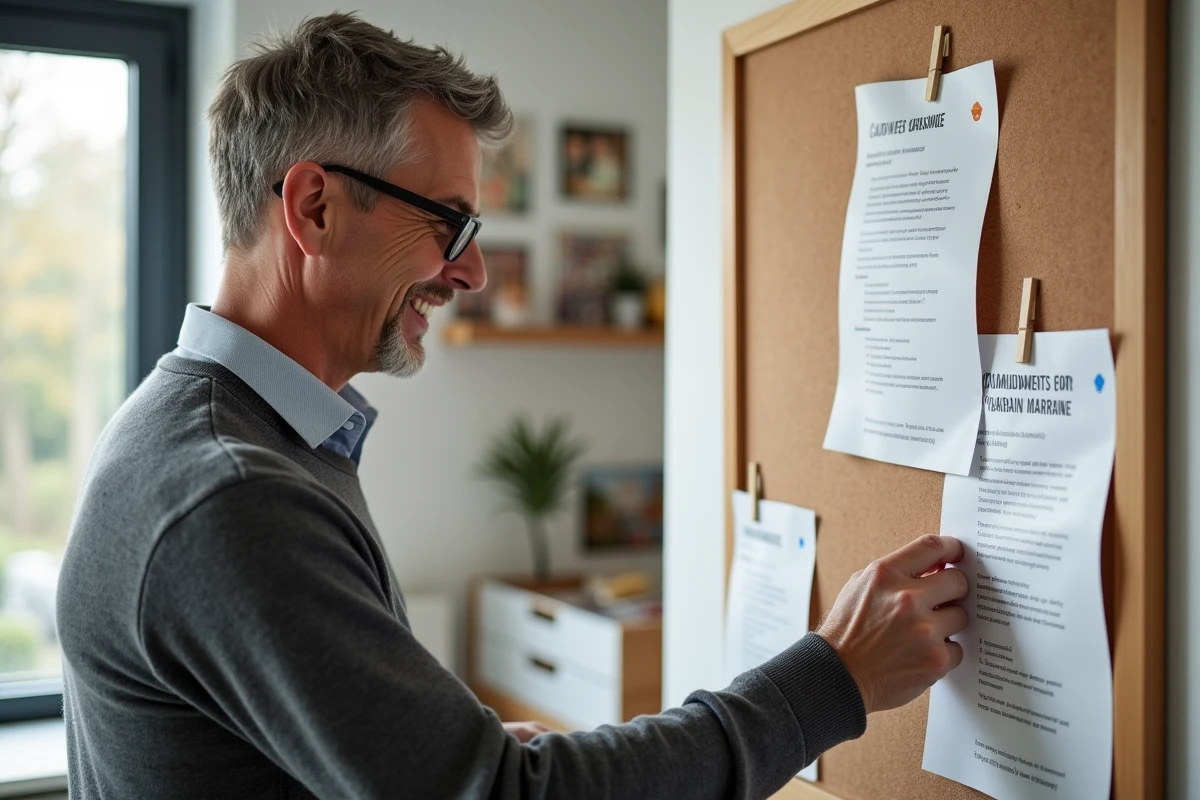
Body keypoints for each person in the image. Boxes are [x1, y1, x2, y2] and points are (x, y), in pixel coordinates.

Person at [56, 12, 969, 799]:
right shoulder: (230, 490)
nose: (473, 270)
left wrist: (461, 762)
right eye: (448, 223)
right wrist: (834, 677)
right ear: (314, 207)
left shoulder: (221, 436)